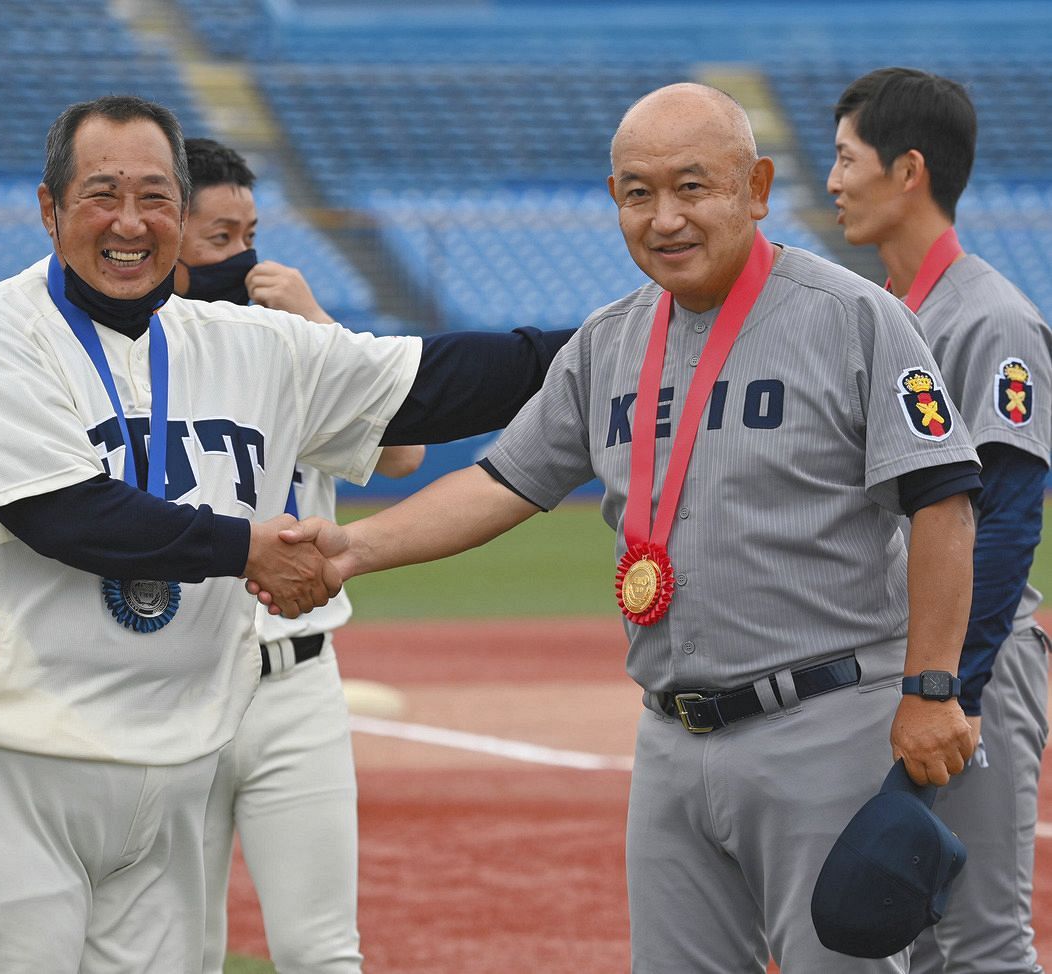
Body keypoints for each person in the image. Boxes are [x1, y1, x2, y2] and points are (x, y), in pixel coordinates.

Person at [256, 83, 984, 972]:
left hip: (824, 725)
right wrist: (352, 550)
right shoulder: (608, 343)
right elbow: (500, 482)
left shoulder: (854, 318)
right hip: (672, 736)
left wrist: (933, 688)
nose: (664, 217)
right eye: (638, 193)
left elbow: (942, 499)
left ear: (756, 188)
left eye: (692, 187)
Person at [0, 94, 570, 974]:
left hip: (164, 764)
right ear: (48, 209)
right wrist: (247, 549)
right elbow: (65, 515)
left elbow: (433, 383)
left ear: (183, 217)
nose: (129, 222)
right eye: (100, 194)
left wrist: (618, 341)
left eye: (156, 197)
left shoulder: (247, 344)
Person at [176, 136, 423, 974]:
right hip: (176, 677)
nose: (243, 258)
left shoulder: (291, 345)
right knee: (175, 950)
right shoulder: (132, 367)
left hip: (298, 682)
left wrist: (319, 326)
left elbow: (402, 455)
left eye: (250, 235)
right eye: (219, 238)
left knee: (322, 951)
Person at [829, 67, 1051, 974]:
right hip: (904, 661)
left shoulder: (992, 319)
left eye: (847, 158)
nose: (833, 179)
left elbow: (1004, 520)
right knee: (905, 940)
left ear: (908, 169)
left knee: (983, 941)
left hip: (971, 670)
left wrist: (946, 691)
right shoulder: (885, 314)